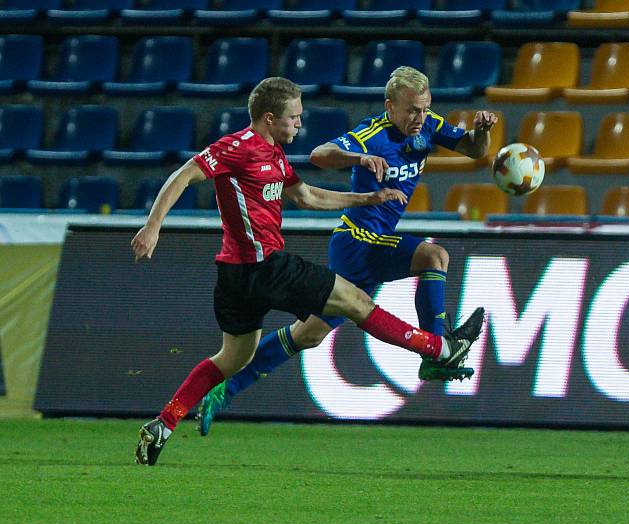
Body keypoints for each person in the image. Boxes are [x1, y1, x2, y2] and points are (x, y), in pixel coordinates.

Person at [132, 76, 485, 466]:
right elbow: (184, 174)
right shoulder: (237, 147)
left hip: (236, 276)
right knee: (360, 302)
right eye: (294, 117)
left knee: (236, 358)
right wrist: (152, 226)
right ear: (269, 118)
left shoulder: (276, 157)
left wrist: (368, 196)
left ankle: (162, 425)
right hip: (268, 267)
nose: (300, 124)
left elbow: (308, 196)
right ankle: (441, 347)